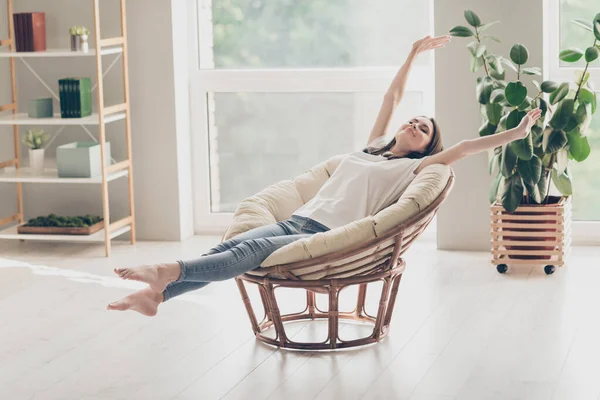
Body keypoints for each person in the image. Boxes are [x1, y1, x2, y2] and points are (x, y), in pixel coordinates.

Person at [107, 35, 542, 316]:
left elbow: (465, 149)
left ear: (428, 146)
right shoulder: (372, 147)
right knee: (234, 246)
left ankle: (167, 270)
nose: (414, 124)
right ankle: (160, 296)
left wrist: (519, 131)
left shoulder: (415, 168)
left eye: (424, 128)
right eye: (413, 120)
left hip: (324, 232)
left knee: (253, 247)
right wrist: (412, 53)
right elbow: (393, 97)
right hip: (297, 219)